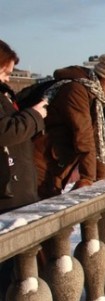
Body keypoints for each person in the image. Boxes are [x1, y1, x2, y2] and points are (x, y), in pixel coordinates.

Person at [34, 52, 105, 198]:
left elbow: (97, 140)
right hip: (42, 163)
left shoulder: (93, 95)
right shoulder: (76, 91)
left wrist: (101, 178)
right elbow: (84, 135)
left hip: (55, 164)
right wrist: (88, 177)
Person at [0, 39, 47, 213]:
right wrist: (35, 115)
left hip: (16, 187)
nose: (8, 78)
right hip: (9, 192)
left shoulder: (4, 94)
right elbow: (5, 131)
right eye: (5, 72)